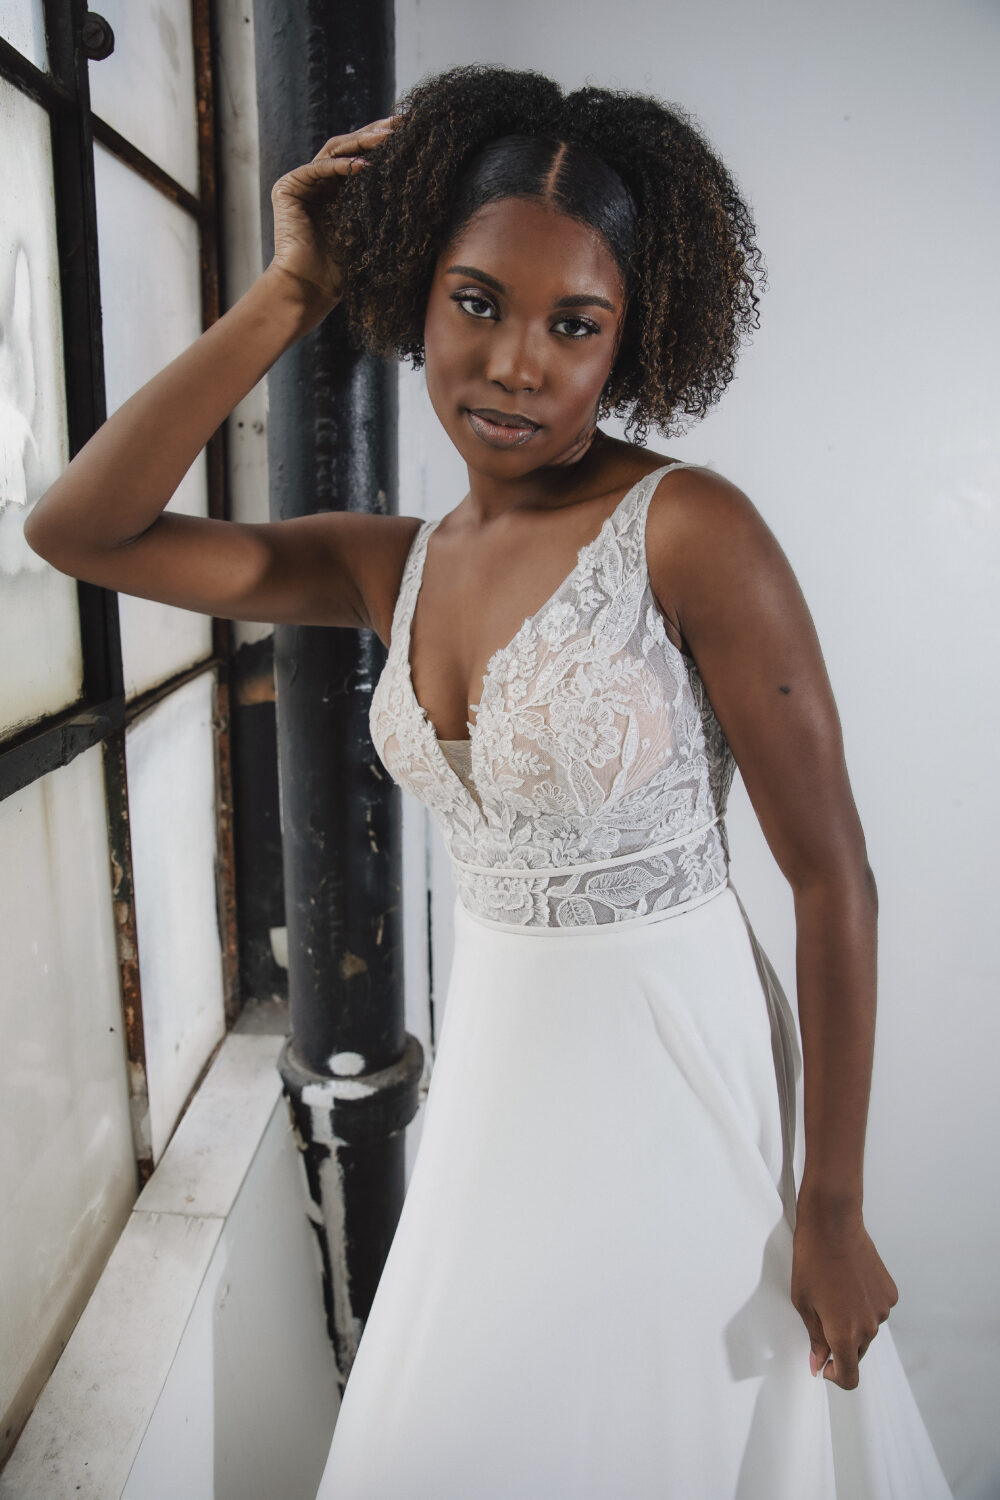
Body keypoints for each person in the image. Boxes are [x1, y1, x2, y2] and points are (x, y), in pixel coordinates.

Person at [25, 60, 952, 1500]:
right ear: (415, 292)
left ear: (630, 344)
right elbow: (83, 528)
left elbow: (835, 878)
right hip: (500, 1086)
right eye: (478, 303)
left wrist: (831, 1204)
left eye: (574, 326)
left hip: (682, 1077)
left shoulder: (691, 530)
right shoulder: (378, 563)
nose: (518, 363)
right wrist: (289, 291)